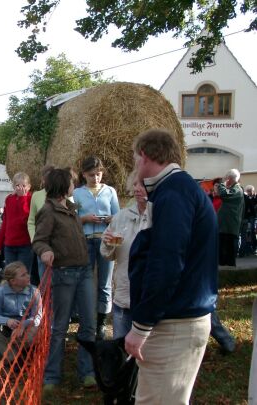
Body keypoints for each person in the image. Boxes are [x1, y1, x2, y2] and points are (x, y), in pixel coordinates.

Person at [125, 129, 217, 404]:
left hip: (175, 324)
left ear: (145, 155)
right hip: (177, 319)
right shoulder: (176, 189)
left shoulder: (174, 193)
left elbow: (166, 263)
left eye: (135, 158)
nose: (135, 165)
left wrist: (140, 327)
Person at [33, 168, 96, 389]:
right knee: (59, 327)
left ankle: (87, 372)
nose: (74, 184)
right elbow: (39, 240)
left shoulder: (70, 207)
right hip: (64, 274)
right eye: (71, 182)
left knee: (89, 324)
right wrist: (45, 251)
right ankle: (52, 376)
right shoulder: (48, 211)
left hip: (84, 272)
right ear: (63, 186)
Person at [73, 156, 120, 340]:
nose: (96, 178)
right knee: (84, 283)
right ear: (84, 174)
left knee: (105, 284)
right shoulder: (77, 194)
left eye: (99, 174)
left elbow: (118, 216)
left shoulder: (110, 191)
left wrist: (110, 219)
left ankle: (101, 324)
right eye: (92, 175)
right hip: (85, 241)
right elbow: (71, 219)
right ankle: (85, 323)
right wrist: (85, 219)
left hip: (105, 240)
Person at [100, 176, 149, 339]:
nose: (137, 188)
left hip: (148, 296)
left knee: (146, 351)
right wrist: (107, 243)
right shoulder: (121, 216)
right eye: (135, 184)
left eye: (141, 184)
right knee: (120, 346)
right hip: (123, 292)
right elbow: (108, 254)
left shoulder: (160, 217)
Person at [0, 261, 42, 361]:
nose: (28, 276)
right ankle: (13, 357)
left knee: (28, 337)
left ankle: (12, 351)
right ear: (13, 281)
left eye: (27, 273)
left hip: (27, 327)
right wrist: (7, 321)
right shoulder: (0, 292)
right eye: (23, 275)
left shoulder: (34, 292)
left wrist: (23, 324)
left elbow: (37, 316)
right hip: (7, 328)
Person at [0, 172, 33, 273]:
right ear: (13, 186)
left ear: (29, 186)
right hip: (9, 244)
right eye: (17, 185)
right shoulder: (9, 199)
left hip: (25, 244)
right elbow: (5, 223)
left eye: (24, 185)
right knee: (11, 276)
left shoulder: (31, 199)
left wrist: (23, 199)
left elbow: (26, 220)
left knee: (23, 274)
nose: (20, 188)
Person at [27, 165, 55, 281]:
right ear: (42, 179)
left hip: (59, 245)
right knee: (43, 281)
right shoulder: (36, 195)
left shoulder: (64, 195)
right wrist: (34, 239)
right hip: (42, 244)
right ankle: (42, 300)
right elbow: (31, 221)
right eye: (46, 178)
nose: (49, 181)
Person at [215, 169, 244, 267]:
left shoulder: (237, 190)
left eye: (227, 178)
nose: (226, 180)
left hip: (229, 227)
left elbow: (224, 194)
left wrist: (223, 184)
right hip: (226, 226)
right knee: (223, 251)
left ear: (230, 178)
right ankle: (225, 270)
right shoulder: (235, 189)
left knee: (228, 252)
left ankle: (229, 274)